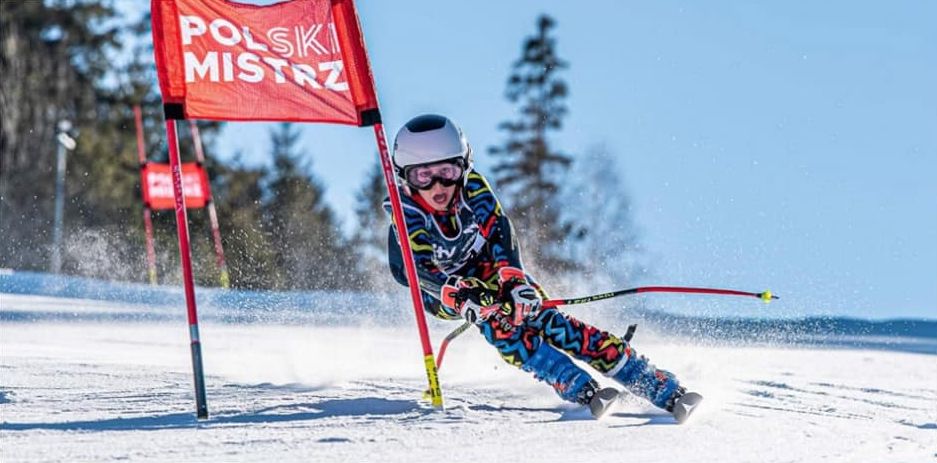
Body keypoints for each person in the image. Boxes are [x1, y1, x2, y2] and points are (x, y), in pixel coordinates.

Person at [384, 114, 702, 422]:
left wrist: (513, 277)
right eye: (422, 176)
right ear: (404, 176)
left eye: (447, 171)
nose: (437, 185)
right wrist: (456, 296)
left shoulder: (474, 189)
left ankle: (652, 381)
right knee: (499, 322)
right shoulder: (407, 209)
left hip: (486, 266)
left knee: (543, 317)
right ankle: (571, 381)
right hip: (439, 287)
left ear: (464, 167)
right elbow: (413, 268)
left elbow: (499, 231)